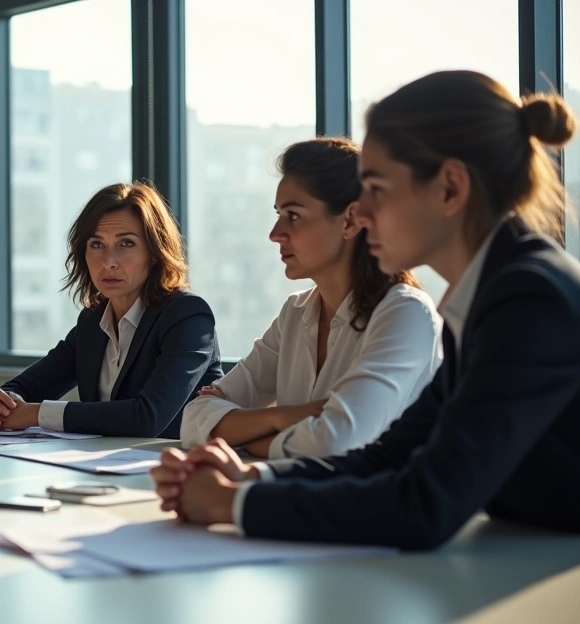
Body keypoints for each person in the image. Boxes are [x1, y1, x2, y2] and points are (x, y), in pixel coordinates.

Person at [152, 70, 580, 549]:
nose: (363, 213)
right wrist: (252, 478)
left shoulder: (528, 297)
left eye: (377, 188)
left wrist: (230, 504)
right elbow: (391, 454)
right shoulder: (491, 290)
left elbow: (426, 504)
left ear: (449, 188)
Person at [180, 138, 442, 459]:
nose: (275, 233)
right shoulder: (295, 311)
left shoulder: (406, 314)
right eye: (278, 214)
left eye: (293, 215)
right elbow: (195, 418)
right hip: (286, 486)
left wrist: (243, 438)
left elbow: (335, 443)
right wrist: (285, 416)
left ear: (350, 220)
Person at [0, 182, 223, 438]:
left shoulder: (187, 316)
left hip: (181, 460)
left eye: (126, 244)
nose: (108, 262)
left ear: (155, 253)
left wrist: (36, 414)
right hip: (104, 460)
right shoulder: (93, 322)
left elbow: (148, 417)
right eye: (97, 245)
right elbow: (26, 387)